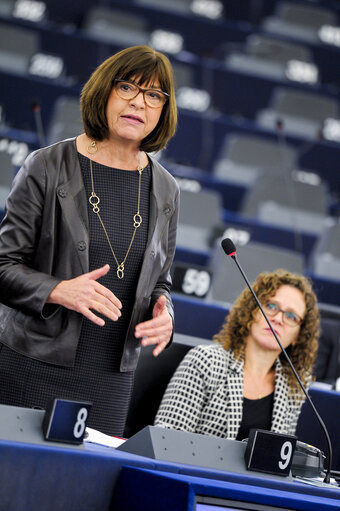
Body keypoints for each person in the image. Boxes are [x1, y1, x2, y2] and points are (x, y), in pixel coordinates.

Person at [0, 45, 179, 437]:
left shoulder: (166, 189)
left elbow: (160, 280)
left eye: (153, 95)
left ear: (163, 110)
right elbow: (3, 266)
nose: (139, 103)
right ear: (105, 92)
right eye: (128, 87)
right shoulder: (47, 166)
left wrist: (164, 315)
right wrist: (58, 290)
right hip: (32, 366)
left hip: (110, 382)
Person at [155, 269, 320, 440]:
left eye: (291, 316)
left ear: (298, 336)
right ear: (252, 310)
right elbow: (166, 440)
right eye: (271, 306)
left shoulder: (292, 387)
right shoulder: (206, 361)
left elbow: (279, 459)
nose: (278, 319)